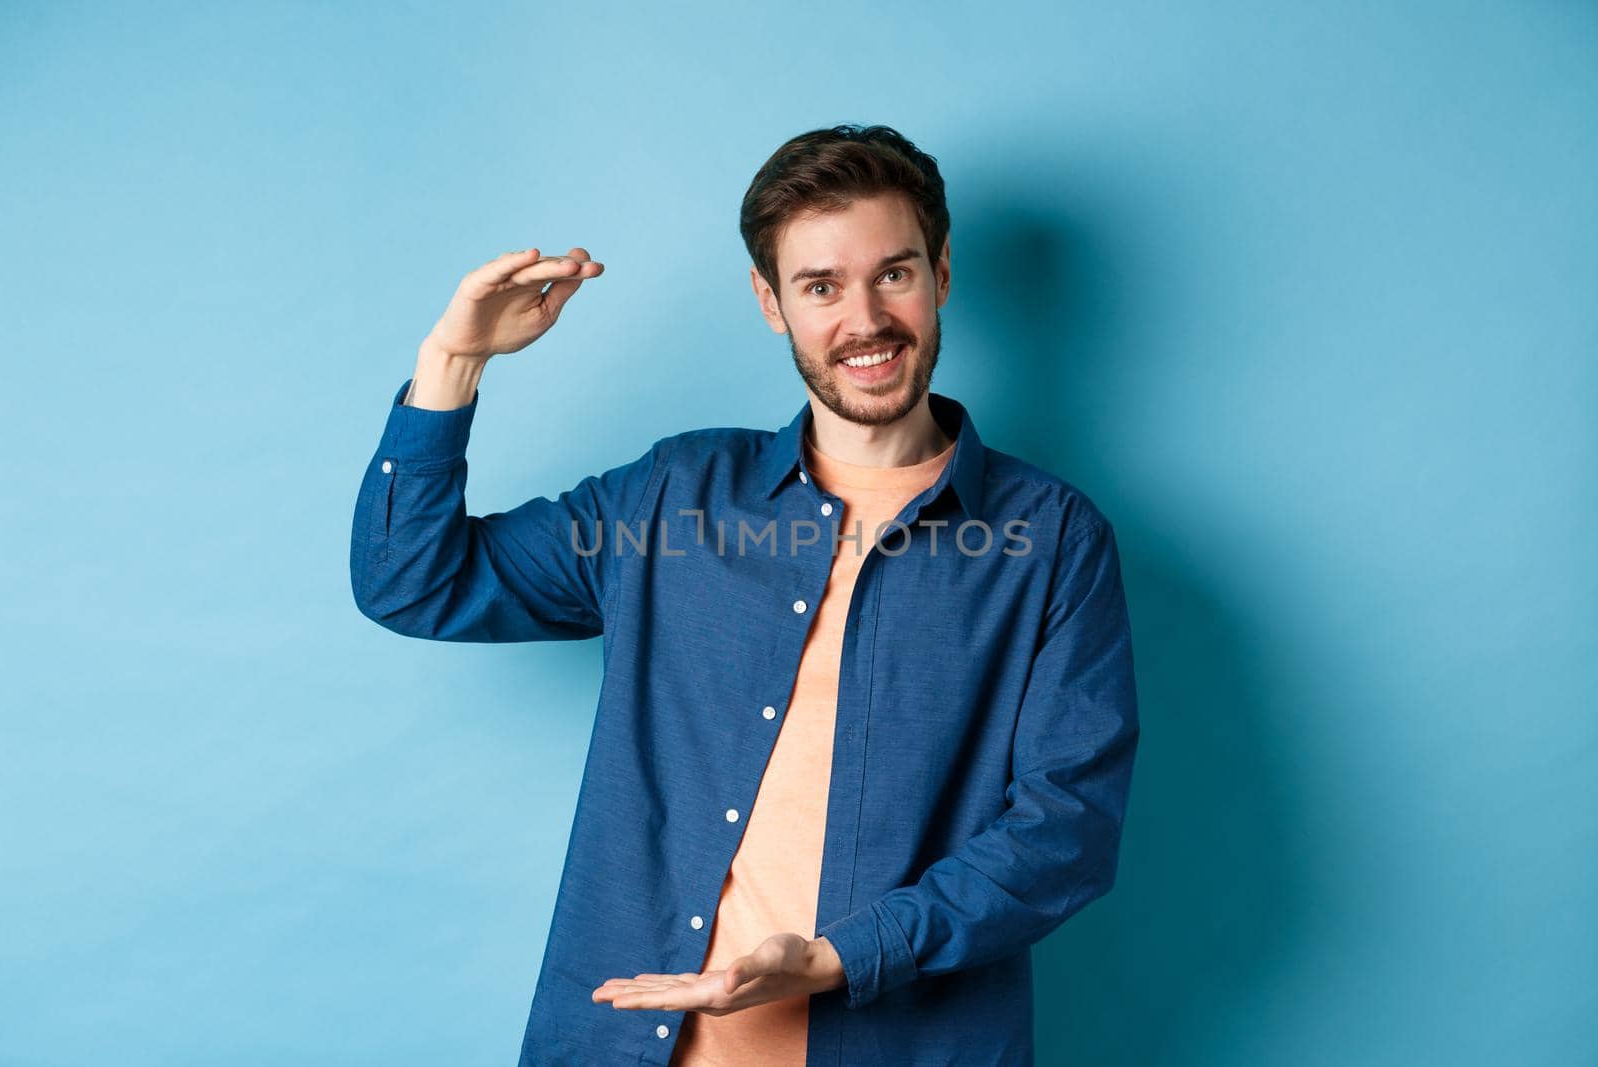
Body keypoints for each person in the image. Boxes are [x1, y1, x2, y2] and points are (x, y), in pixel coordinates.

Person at [350, 123, 1140, 1066]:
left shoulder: (1051, 540)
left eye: (894, 274)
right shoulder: (669, 498)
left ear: (941, 275)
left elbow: (1068, 831)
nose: (866, 320)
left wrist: (839, 956)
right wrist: (453, 363)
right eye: (820, 286)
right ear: (771, 302)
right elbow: (412, 580)